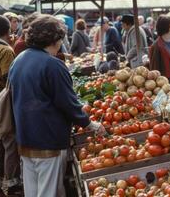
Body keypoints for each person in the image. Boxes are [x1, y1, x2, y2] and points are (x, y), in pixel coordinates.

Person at [8, 15, 105, 197]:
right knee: (47, 191)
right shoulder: (53, 65)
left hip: (24, 137)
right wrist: (89, 124)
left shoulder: (19, 60)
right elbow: (68, 103)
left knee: (33, 190)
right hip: (48, 139)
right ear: (55, 39)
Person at [0, 15, 22, 197]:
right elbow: (10, 82)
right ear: (8, 31)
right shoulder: (5, 51)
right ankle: (11, 185)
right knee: (9, 140)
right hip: (2, 102)